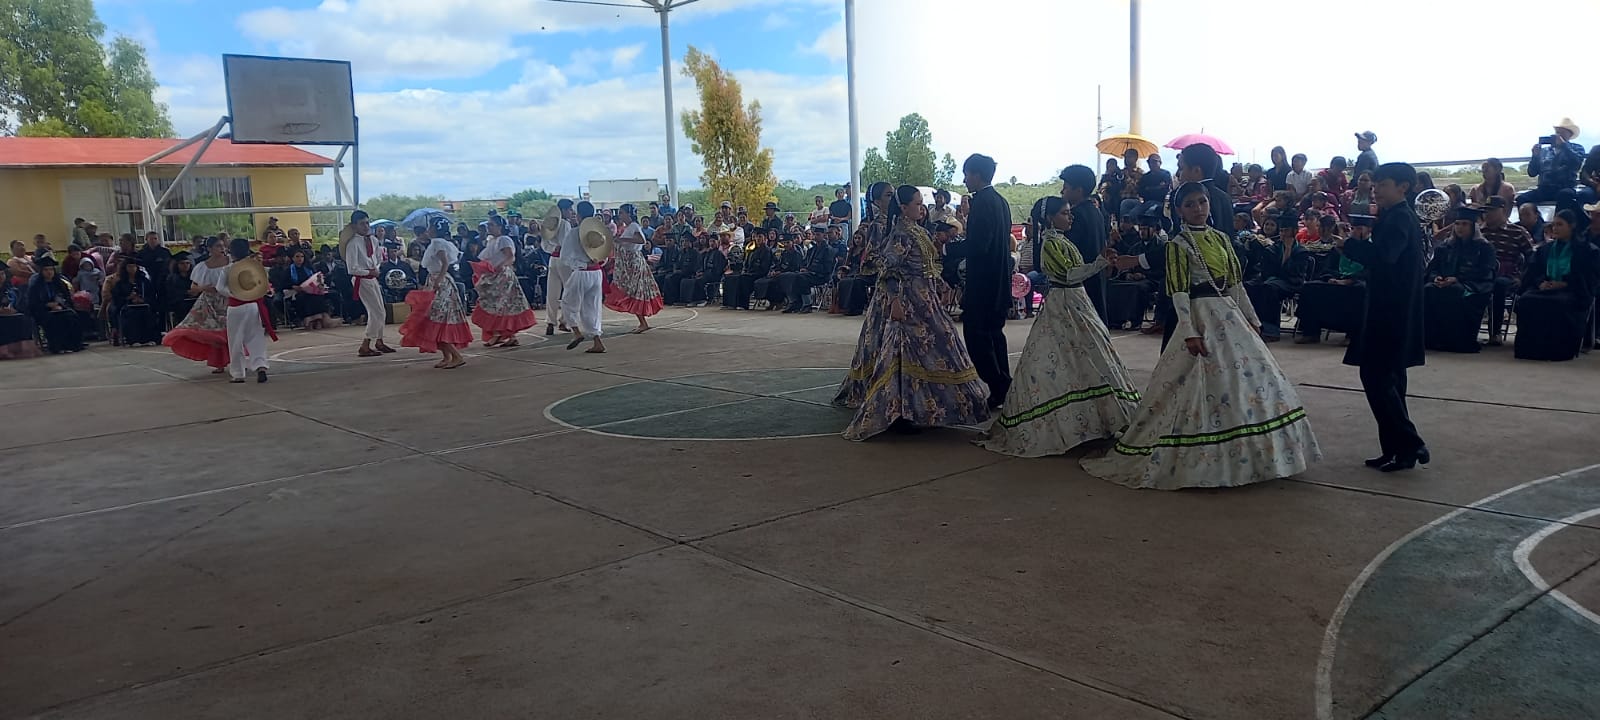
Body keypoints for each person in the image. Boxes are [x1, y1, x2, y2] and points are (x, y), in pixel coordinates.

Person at [1081, 181, 1319, 489]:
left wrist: (1252, 319)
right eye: (1190, 204)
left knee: (1245, 382)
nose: (1198, 208)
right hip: (1199, 315)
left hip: (1227, 314)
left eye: (1202, 202)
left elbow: (1234, 284)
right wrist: (1189, 331)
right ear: (1179, 211)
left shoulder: (1220, 239)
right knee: (1193, 382)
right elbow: (1179, 292)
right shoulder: (1179, 245)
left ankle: (1254, 455)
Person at [978, 196, 1138, 458]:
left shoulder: (1062, 241)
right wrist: (1099, 262)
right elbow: (1069, 275)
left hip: (1076, 301)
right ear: (1050, 218)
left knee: (1085, 357)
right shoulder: (1050, 244)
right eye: (1064, 213)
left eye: (1069, 212)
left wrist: (1101, 261)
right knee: (1063, 359)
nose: (1070, 217)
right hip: (1064, 303)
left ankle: (1091, 420)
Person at [832, 185, 989, 440]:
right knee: (904, 355)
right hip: (908, 301)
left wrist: (941, 285)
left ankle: (933, 407)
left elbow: (928, 266)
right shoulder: (900, 235)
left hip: (926, 300)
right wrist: (894, 300)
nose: (921, 207)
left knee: (941, 345)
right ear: (904, 208)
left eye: (921, 203)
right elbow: (888, 271)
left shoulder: (919, 231)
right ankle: (902, 412)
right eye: (917, 204)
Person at [1335, 162, 1429, 473]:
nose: (1376, 190)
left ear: (1403, 187)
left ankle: (1410, 443)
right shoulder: (1393, 216)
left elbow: (1385, 257)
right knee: (1391, 381)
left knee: (1377, 378)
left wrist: (1350, 246)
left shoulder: (1400, 217)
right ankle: (1396, 450)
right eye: (1375, 184)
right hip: (1390, 307)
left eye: (1383, 184)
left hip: (1391, 312)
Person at [956, 154, 1013, 409]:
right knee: (995, 335)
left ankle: (997, 384)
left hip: (982, 284)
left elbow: (979, 245)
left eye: (966, 174)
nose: (965, 180)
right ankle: (1004, 385)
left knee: (977, 336)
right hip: (1000, 280)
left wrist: (948, 250)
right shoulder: (1001, 201)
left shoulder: (981, 203)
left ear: (976, 175)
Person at [1513, 209, 1596, 361]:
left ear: (1572, 226)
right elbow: (1534, 273)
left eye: (1560, 224)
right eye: (1554, 225)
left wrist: (1564, 284)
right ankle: (1530, 349)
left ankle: (1557, 351)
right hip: (1546, 288)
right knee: (1526, 300)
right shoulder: (1545, 249)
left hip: (1572, 290)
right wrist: (1540, 283)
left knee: (1558, 303)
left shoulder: (1585, 250)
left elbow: (1587, 277)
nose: (1555, 228)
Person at [399, 217, 471, 369]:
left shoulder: (438, 243)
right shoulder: (438, 243)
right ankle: (447, 356)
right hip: (437, 280)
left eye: (430, 227)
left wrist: (438, 280)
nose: (428, 230)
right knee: (433, 319)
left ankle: (456, 356)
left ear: (435, 229)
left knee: (436, 319)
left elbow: (445, 263)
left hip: (439, 281)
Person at [1422, 205, 1496, 353]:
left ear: (1473, 226)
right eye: (1457, 224)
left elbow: (1485, 272)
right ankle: (1433, 340)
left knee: (1454, 291)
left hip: (1473, 285)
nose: (1460, 228)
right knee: (1428, 289)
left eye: (1464, 224)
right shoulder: (1445, 247)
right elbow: (1432, 268)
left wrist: (1457, 279)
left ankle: (1458, 341)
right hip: (1445, 283)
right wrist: (1436, 278)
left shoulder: (1484, 248)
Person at [1296, 214, 1372, 344]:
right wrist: (1332, 278)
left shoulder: (1372, 248)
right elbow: (1328, 268)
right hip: (1338, 279)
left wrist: (1349, 280)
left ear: (1368, 230)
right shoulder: (1342, 246)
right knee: (1310, 287)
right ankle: (1311, 332)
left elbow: (1370, 271)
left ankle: (1352, 335)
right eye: (1353, 228)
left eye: (1359, 228)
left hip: (1358, 283)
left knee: (1359, 291)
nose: (1355, 231)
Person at [163, 237, 231, 373]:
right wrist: (204, 288)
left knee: (232, 330)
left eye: (222, 246)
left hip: (229, 299)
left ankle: (238, 360)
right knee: (214, 333)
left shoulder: (231, 262)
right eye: (218, 246)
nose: (222, 249)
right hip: (210, 301)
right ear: (210, 249)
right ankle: (219, 363)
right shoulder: (202, 266)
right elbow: (193, 287)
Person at [471, 215, 538, 348]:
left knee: (501, 305)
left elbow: (510, 257)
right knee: (496, 305)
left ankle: (501, 334)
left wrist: (500, 266)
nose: (488, 227)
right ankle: (502, 334)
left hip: (501, 276)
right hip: (493, 274)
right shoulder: (492, 241)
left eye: (491, 225)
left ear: (499, 226)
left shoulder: (504, 239)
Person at [1244, 211, 1311, 342]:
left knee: (1269, 288)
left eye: (1286, 231)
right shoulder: (1272, 248)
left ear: (1294, 232)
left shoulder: (1301, 251)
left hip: (1291, 282)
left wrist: (1287, 251)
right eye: (1281, 231)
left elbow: (1291, 273)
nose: (1283, 234)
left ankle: (1271, 330)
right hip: (1272, 279)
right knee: (1249, 286)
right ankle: (1255, 325)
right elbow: (1267, 271)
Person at [1476, 196, 1534, 346]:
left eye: (1491, 210)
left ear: (1502, 210)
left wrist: (1521, 277)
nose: (1487, 214)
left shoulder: (1518, 232)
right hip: (1481, 272)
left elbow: (1533, 258)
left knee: (1499, 285)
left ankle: (1495, 332)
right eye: (1485, 211)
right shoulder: (1479, 232)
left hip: (1507, 275)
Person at [219, 238, 276, 383]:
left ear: (231, 252)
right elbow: (264, 286)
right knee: (256, 337)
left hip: (235, 307)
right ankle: (260, 366)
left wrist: (235, 294)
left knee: (235, 340)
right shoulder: (256, 267)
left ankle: (238, 373)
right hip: (253, 305)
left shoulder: (228, 269)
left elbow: (220, 288)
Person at [602, 204, 664, 333]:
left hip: (633, 263)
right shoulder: (628, 227)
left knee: (634, 291)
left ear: (628, 214)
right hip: (629, 263)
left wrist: (621, 239)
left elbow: (641, 240)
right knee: (632, 291)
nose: (620, 215)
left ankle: (643, 323)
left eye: (622, 213)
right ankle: (642, 322)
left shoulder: (634, 226)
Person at [341, 210, 395, 357]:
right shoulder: (353, 244)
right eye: (362, 224)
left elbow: (377, 259)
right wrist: (369, 271)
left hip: (372, 277)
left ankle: (379, 340)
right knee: (375, 311)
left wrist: (375, 269)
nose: (365, 226)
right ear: (354, 226)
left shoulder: (373, 240)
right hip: (361, 279)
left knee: (381, 310)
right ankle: (366, 343)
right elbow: (352, 268)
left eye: (367, 223)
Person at [835, 182, 892, 316]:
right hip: (882, 269)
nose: (892, 199)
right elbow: (872, 253)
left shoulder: (895, 221)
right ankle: (852, 307)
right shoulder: (876, 225)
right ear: (877, 201)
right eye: (888, 195)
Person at [1105, 210, 1164, 330]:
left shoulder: (1161, 247)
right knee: (1111, 284)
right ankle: (1115, 320)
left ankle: (1135, 321)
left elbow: (1163, 270)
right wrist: (1128, 274)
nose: (1142, 232)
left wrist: (1144, 275)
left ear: (1154, 229)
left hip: (1152, 280)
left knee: (1138, 288)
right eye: (1140, 229)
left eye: (1145, 229)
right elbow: (1126, 265)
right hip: (1133, 279)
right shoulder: (1135, 247)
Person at [1517, 118, 1586, 215]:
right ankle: (1537, 221)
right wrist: (1535, 156)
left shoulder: (1577, 148)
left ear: (1569, 135)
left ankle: (1558, 221)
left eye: (1562, 133)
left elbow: (1576, 163)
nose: (1558, 135)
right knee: (1521, 199)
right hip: (1544, 188)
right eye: (1557, 132)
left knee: (1565, 195)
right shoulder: (1544, 151)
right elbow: (1532, 173)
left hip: (1565, 186)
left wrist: (1564, 145)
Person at [27, 256, 83, 353]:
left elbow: (67, 299)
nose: (49, 272)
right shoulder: (35, 286)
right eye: (46, 270)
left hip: (61, 309)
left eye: (51, 269)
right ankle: (57, 347)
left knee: (71, 317)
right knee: (54, 320)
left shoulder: (60, 284)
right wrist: (47, 305)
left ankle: (72, 345)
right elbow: (32, 304)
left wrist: (61, 305)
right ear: (41, 271)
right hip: (43, 311)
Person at [111, 256, 160, 346]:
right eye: (129, 267)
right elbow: (116, 298)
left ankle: (149, 338)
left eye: (134, 266)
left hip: (144, 305)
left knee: (149, 314)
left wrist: (143, 300)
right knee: (132, 315)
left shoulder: (144, 281)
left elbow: (152, 295)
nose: (132, 269)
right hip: (128, 307)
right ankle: (133, 339)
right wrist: (129, 298)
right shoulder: (120, 283)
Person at [780, 229, 832, 314]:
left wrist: (809, 269)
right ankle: (794, 302)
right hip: (809, 273)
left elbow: (827, 268)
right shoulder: (812, 249)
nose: (815, 236)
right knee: (787, 276)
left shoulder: (828, 250)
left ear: (824, 236)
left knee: (801, 278)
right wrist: (803, 268)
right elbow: (804, 263)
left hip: (821, 275)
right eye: (815, 234)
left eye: (818, 234)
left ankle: (807, 304)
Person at [283, 249, 330, 329]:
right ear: (293, 258)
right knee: (304, 298)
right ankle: (308, 319)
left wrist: (319, 281)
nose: (300, 259)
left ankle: (318, 319)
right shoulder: (288, 270)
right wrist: (293, 286)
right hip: (296, 291)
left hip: (311, 290)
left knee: (319, 296)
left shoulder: (309, 268)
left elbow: (314, 278)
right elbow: (283, 283)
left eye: (302, 256)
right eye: (297, 256)